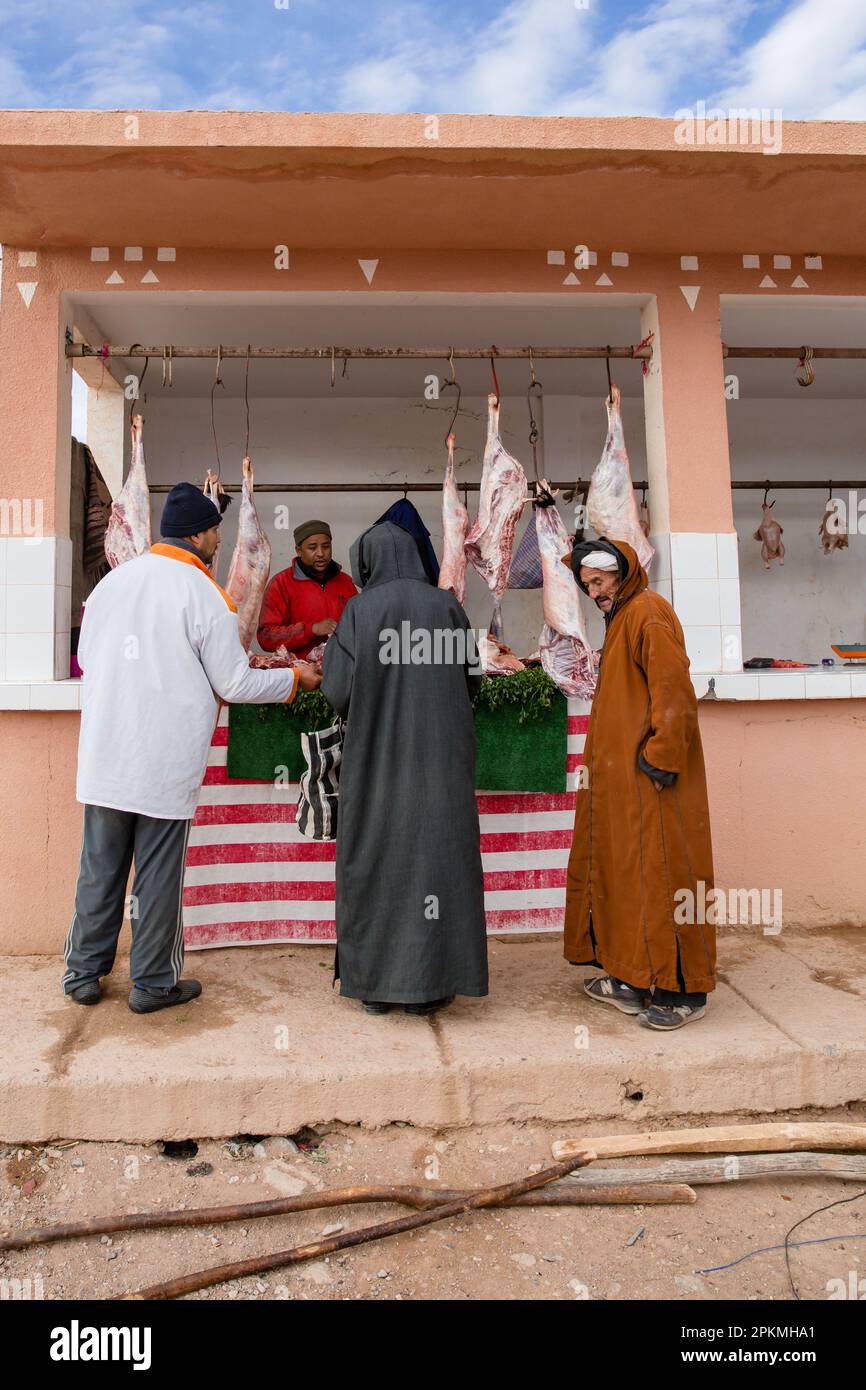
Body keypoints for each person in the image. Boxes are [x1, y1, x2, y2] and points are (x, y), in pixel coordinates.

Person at [63, 481, 321, 1014]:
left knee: (100, 867)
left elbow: (88, 658)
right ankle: (153, 983)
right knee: (157, 873)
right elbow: (235, 684)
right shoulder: (205, 594)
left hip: (107, 756)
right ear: (200, 535)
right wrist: (297, 678)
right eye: (215, 533)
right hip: (162, 762)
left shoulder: (114, 583)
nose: (218, 543)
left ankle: (83, 975)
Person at [320, 521, 488, 1015]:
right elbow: (473, 678)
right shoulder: (447, 607)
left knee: (376, 861)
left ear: (367, 564)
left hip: (379, 765)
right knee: (440, 863)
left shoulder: (360, 610)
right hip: (443, 764)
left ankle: (376, 985)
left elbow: (337, 690)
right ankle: (434, 986)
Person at [563, 537, 715, 1030]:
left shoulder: (648, 613)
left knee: (663, 876)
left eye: (600, 580)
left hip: (654, 780)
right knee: (624, 877)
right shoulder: (624, 615)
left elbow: (674, 690)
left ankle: (682, 992)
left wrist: (661, 757)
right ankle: (630, 976)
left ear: (621, 573)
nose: (594, 591)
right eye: (587, 584)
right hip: (621, 781)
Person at [257, 519, 357, 660]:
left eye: (326, 546)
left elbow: (359, 627)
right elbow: (265, 636)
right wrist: (311, 630)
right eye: (312, 547)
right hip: (302, 676)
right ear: (299, 551)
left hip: (342, 673)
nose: (320, 553)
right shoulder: (280, 584)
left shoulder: (346, 582)